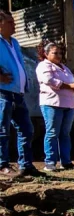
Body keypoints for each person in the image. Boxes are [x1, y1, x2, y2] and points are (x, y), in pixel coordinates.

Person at [36, 41, 74, 171]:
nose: (59, 55)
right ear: (46, 54)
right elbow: (49, 81)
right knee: (52, 133)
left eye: (60, 53)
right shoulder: (43, 66)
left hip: (68, 104)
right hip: (52, 104)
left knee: (65, 134)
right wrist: (69, 86)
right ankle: (50, 162)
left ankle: (66, 162)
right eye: (55, 53)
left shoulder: (64, 67)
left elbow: (70, 83)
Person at [0, 12, 36, 177]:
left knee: (26, 129)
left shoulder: (14, 42)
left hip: (18, 93)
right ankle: (2, 165)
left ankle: (26, 165)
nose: (14, 25)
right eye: (10, 22)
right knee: (2, 130)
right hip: (3, 93)